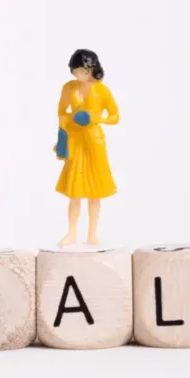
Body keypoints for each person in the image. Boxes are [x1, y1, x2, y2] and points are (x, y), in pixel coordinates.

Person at [53, 49, 120, 247]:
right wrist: (62, 135)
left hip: (94, 141)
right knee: (75, 190)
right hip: (75, 140)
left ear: (91, 68)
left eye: (81, 70)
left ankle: (92, 234)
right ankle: (72, 233)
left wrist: (97, 118)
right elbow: (61, 112)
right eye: (75, 71)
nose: (77, 75)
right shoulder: (68, 88)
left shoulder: (102, 91)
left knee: (94, 191)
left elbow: (115, 116)